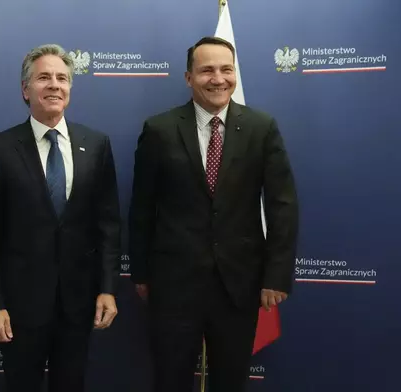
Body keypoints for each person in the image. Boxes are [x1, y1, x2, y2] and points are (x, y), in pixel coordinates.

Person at [128, 36, 299, 392]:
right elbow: (142, 207)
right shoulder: (159, 130)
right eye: (206, 70)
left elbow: (282, 204)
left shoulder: (261, 128)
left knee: (231, 382)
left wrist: (276, 275)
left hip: (239, 284)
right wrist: (142, 272)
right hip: (174, 286)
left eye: (226, 69)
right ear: (189, 77)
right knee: (170, 380)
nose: (218, 78)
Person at [0, 44, 121, 392]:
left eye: (62, 78)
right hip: (20, 307)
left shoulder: (96, 144)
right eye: (44, 78)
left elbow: (108, 225)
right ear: (26, 90)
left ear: (70, 88)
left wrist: (107, 289)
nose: (54, 85)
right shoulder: (0, 147)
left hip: (78, 302)